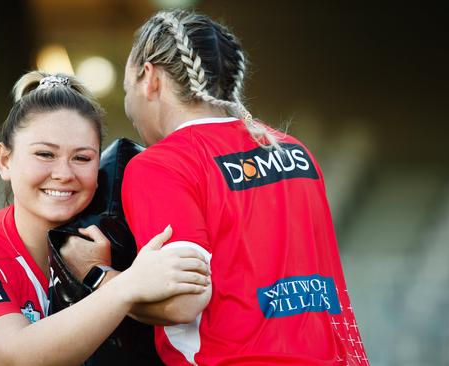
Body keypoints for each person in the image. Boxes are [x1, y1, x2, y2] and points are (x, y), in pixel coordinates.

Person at [61, 9, 369, 366]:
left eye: (128, 89)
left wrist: (96, 275)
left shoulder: (162, 165)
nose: (130, 106)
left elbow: (182, 302)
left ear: (150, 78)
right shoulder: (295, 151)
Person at [0, 71, 211, 366]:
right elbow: (13, 356)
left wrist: (98, 273)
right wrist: (120, 284)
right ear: (5, 160)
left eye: (82, 158)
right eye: (45, 154)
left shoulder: (113, 246)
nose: (64, 174)